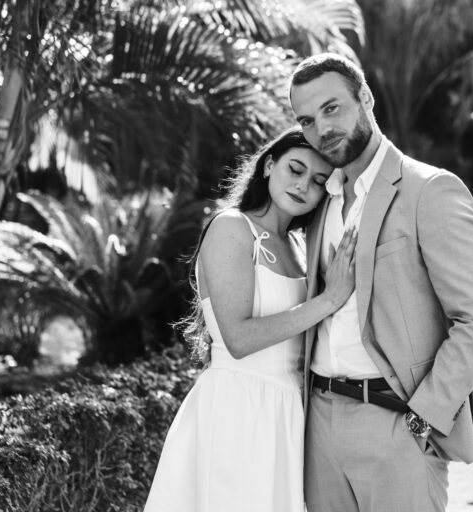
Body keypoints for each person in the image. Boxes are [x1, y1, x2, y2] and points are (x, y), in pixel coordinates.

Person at [289, 53, 473, 512]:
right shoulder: (317, 202)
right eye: (306, 120)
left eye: (332, 109)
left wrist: (424, 414)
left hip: (396, 422)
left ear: (364, 97)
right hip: (319, 424)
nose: (321, 130)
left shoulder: (430, 190)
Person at [143, 128, 357, 512]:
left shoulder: (300, 248)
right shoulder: (231, 227)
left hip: (289, 412)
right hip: (238, 409)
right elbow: (238, 339)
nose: (304, 185)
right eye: (295, 169)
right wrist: (330, 299)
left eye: (318, 181)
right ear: (269, 164)